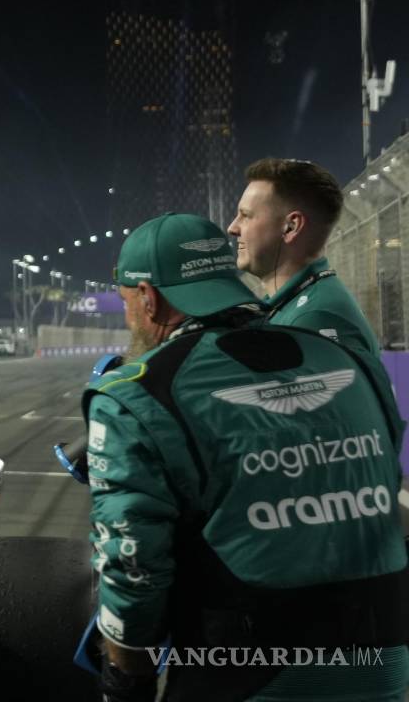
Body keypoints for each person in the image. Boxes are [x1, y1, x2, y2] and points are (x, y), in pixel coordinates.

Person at [85, 212, 407, 702]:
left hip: (244, 675)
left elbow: (133, 570)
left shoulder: (136, 395)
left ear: (148, 298)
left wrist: (126, 680)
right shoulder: (351, 361)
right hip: (384, 667)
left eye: (127, 301)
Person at [227, 158, 379, 355]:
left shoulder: (313, 319)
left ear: (291, 227)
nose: (233, 228)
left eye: (246, 215)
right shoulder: (293, 304)